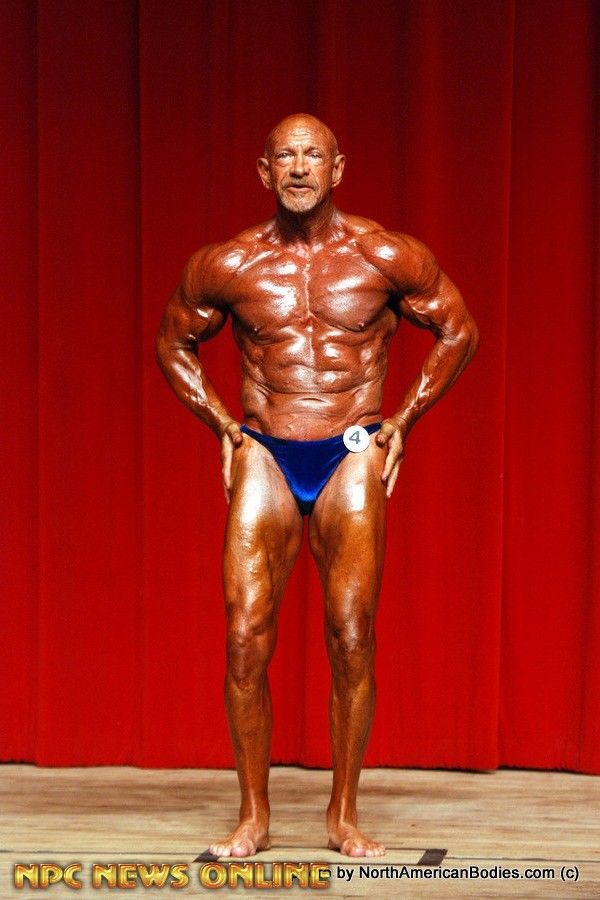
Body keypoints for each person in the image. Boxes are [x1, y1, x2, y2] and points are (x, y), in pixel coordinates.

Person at [155, 113, 479, 858]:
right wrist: (221, 424)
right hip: (267, 450)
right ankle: (253, 815)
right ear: (264, 172)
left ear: (338, 169)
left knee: (351, 632)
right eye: (285, 157)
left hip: (352, 446)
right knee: (244, 635)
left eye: (313, 156)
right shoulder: (230, 264)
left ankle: (343, 814)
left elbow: (459, 329)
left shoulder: (383, 254)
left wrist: (403, 420)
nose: (299, 168)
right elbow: (172, 341)